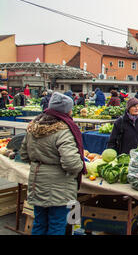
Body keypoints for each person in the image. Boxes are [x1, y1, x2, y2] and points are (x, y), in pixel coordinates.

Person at [19, 92, 85, 235]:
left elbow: (24, 154)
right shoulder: (63, 130)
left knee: (39, 223)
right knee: (56, 225)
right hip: (59, 187)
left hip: (37, 182)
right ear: (67, 110)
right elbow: (72, 163)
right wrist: (80, 167)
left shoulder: (33, 127)